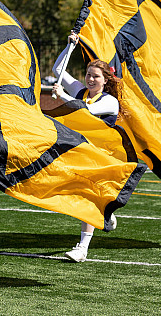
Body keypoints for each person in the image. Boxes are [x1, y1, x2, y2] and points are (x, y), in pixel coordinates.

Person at [52, 31, 121, 263]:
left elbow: (85, 112)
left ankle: (82, 248)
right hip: (82, 153)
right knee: (82, 195)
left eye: (96, 77)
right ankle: (107, 216)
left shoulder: (109, 101)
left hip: (104, 157)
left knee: (89, 198)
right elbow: (57, 70)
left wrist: (62, 96)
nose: (91, 79)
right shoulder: (82, 91)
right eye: (89, 75)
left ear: (106, 80)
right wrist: (70, 45)